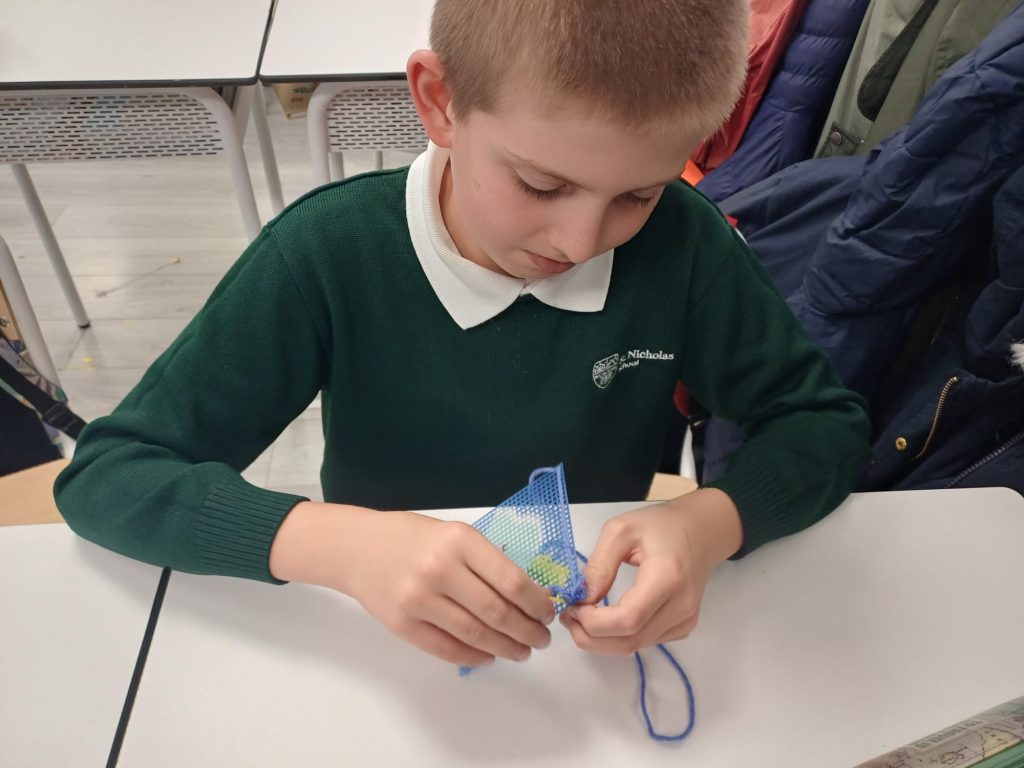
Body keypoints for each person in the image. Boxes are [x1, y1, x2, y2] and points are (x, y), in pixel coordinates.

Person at [55, 0, 870, 669]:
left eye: (637, 196)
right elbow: (109, 476)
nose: (581, 242)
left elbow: (823, 425)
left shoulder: (683, 246)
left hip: (583, 654)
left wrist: (709, 523)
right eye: (541, 184)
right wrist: (341, 547)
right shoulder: (327, 255)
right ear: (440, 101)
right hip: (384, 642)